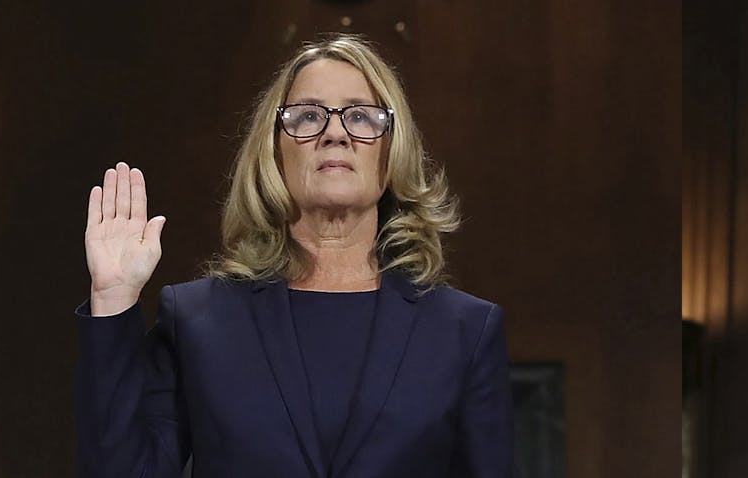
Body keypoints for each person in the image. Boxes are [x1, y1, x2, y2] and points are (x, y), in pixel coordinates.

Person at [77, 34, 510, 477]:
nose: (335, 133)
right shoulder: (196, 321)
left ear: (392, 149)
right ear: (275, 152)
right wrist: (112, 299)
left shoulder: (465, 331)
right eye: (308, 117)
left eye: (361, 116)